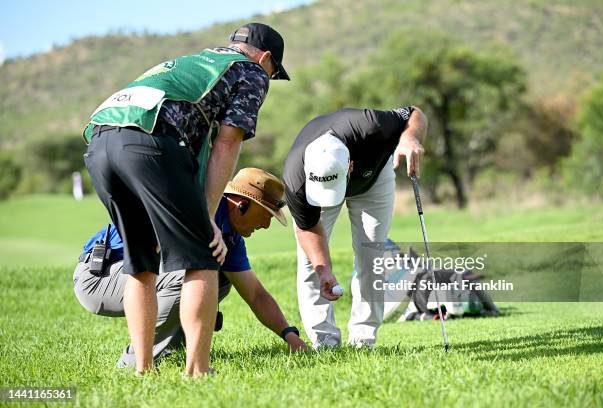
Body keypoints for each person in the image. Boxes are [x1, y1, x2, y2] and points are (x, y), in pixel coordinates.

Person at [82, 23, 289, 376]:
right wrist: (206, 216)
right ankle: (198, 371)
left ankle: (143, 370)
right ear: (266, 57)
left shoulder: (196, 61)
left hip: (99, 141)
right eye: (273, 70)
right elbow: (227, 142)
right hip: (150, 142)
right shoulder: (251, 71)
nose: (269, 76)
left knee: (141, 262)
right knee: (204, 256)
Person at [74, 168, 308, 368]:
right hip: (99, 276)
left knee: (217, 277)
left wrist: (289, 335)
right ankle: (135, 361)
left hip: (138, 278)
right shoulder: (194, 209)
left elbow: (256, 294)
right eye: (266, 215)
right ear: (241, 205)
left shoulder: (231, 238)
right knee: (192, 273)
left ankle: (169, 351)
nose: (266, 225)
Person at [283, 106, 428, 349]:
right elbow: (307, 227)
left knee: (371, 254)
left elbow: (416, 113)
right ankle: (325, 341)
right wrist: (324, 270)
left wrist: (410, 136)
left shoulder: (374, 125)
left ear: (350, 164)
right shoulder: (296, 180)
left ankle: (363, 339)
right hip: (315, 184)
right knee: (310, 263)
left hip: (374, 176)